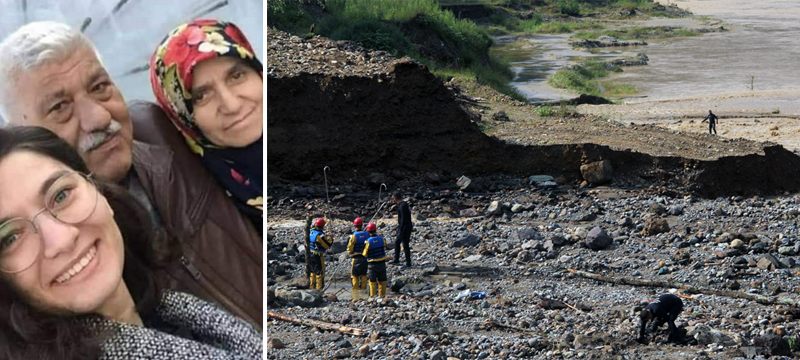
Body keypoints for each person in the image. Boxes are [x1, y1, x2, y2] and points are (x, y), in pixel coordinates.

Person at [0, 21, 262, 327]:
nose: (99, 117)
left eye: (100, 87)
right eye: (60, 107)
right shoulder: (48, 253)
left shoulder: (166, 132)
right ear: (23, 134)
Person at [0, 126, 261, 359]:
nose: (62, 240)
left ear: (100, 192)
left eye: (61, 195)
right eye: (11, 237)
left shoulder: (176, 315)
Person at [149, 19, 262, 229]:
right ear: (182, 115)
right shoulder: (193, 212)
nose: (232, 105)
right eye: (201, 95)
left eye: (237, 76)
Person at [362, 222, 390, 298]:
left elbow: (364, 254)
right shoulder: (382, 239)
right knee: (382, 281)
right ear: (375, 230)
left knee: (372, 281)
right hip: (382, 264)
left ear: (368, 231)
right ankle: (382, 296)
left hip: (372, 265)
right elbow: (385, 246)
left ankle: (372, 297)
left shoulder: (368, 241)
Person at [346, 217, 369, 301]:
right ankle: (363, 293)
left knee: (355, 276)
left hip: (356, 259)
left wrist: (349, 253)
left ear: (354, 225)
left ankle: (355, 295)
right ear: (361, 225)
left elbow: (349, 248)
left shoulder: (353, 236)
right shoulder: (367, 234)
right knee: (363, 275)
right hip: (365, 258)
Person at [309, 217, 334, 290]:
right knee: (319, 272)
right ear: (322, 226)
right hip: (317, 256)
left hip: (310, 254)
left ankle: (311, 288)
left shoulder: (310, 231)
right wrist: (331, 239)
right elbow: (327, 245)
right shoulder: (320, 235)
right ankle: (319, 289)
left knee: (312, 271)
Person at [391, 191, 413, 267]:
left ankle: (397, 260)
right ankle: (408, 262)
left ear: (396, 198)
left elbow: (403, 219)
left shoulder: (403, 206)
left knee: (399, 243)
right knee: (404, 244)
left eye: (393, 198)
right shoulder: (402, 205)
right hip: (406, 226)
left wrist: (400, 229)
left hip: (405, 227)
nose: (392, 200)